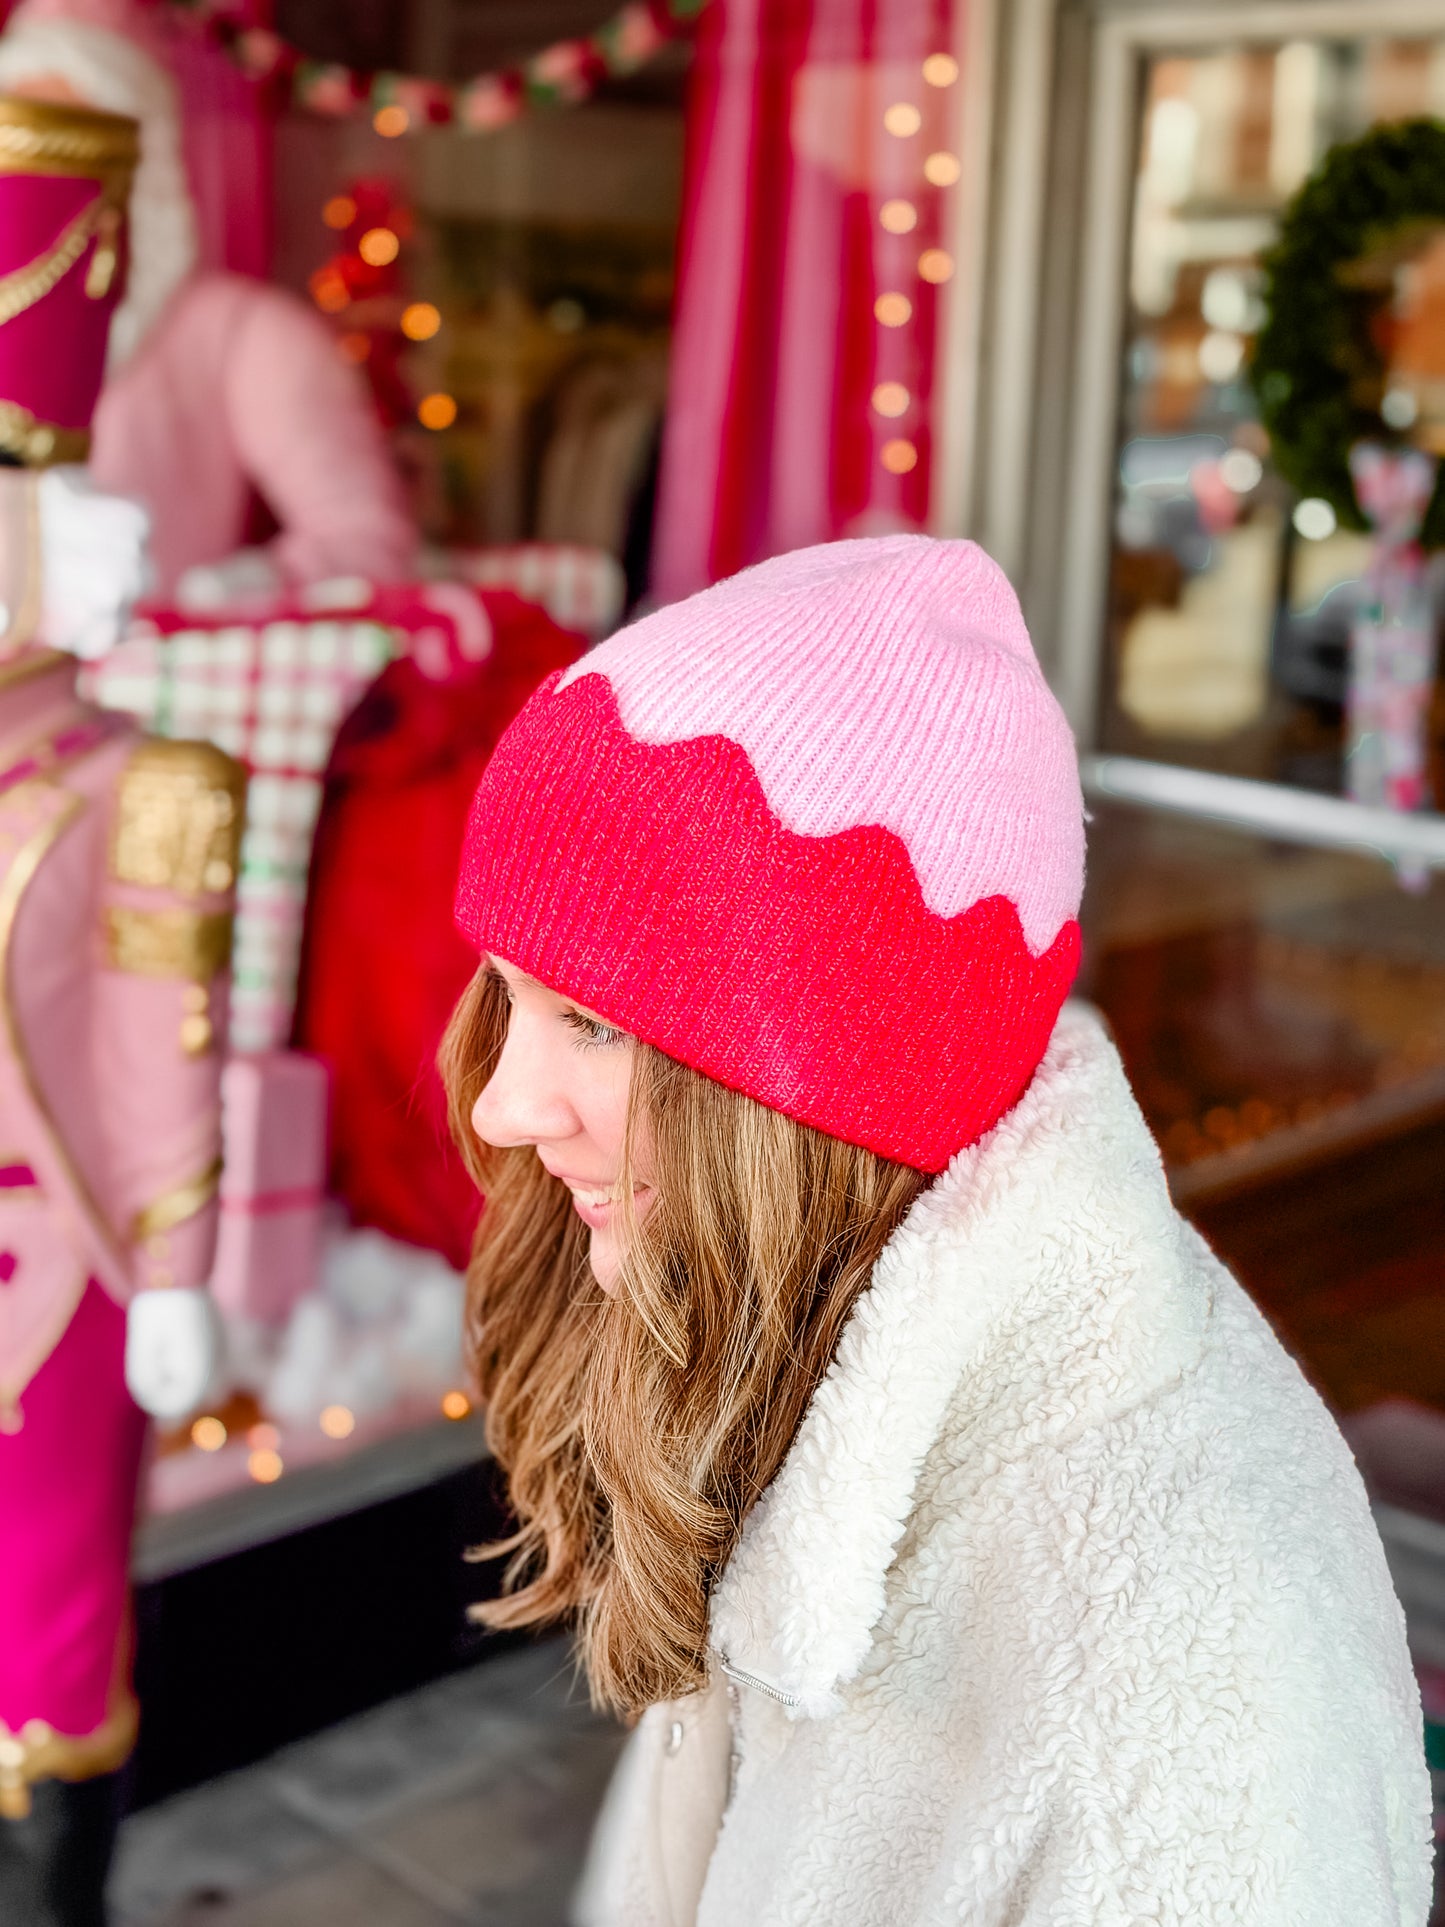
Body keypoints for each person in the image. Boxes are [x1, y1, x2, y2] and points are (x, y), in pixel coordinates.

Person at [439, 536, 1432, 1926]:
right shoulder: (811, 1346)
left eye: (593, 1020)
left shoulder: (1169, 1695)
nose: (498, 1104)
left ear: (819, 1086)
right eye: (507, 996)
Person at [0, 0, 417, 605]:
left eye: (77, 152)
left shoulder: (245, 336)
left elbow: (369, 544)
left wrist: (241, 593)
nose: (43, 190)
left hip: (159, 689)